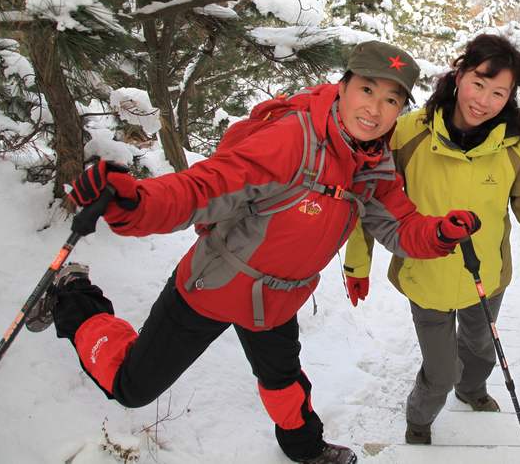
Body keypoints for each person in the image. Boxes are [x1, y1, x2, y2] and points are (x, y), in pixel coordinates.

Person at [26, 41, 483, 464]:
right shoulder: (292, 139)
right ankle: (74, 295)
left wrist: (439, 233)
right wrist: (138, 203)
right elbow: (207, 187)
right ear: (342, 87)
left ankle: (304, 447)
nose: (375, 109)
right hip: (216, 284)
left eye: (392, 100)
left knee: (282, 377)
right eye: (366, 90)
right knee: (131, 386)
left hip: (278, 299)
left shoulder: (372, 162)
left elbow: (400, 226)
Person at [342, 34, 520, 445]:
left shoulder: (515, 146)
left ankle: (473, 390)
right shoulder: (407, 134)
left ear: (511, 96)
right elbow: (368, 199)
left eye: (499, 92)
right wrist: (357, 264)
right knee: (441, 368)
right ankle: (420, 417)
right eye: (478, 84)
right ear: (459, 74)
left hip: (488, 276)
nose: (484, 100)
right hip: (424, 276)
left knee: (480, 347)